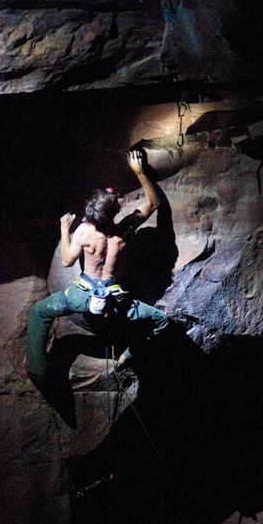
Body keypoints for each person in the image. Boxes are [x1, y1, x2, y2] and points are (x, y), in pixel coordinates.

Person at [25, 148, 170, 397]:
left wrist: (63, 228)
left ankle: (37, 370)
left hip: (81, 296)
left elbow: (68, 260)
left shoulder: (83, 231)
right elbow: (154, 203)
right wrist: (139, 172)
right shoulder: (125, 230)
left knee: (39, 312)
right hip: (116, 301)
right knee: (161, 321)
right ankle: (127, 354)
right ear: (113, 215)